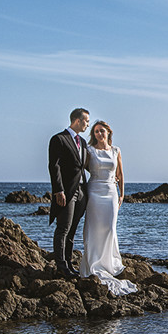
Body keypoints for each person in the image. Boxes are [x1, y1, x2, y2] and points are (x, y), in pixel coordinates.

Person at [79, 119, 138, 295]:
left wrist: (122, 194)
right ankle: (94, 263)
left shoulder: (116, 151)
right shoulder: (89, 151)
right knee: (94, 228)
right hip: (94, 191)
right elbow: (81, 169)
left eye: (102, 131)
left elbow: (120, 173)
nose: (99, 134)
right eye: (96, 131)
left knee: (110, 228)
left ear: (108, 132)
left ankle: (109, 263)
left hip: (111, 192)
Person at [48, 108, 90, 277]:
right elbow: (54, 166)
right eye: (86, 121)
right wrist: (58, 190)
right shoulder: (59, 139)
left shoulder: (84, 143)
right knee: (63, 228)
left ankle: (69, 263)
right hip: (66, 191)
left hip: (81, 191)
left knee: (72, 230)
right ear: (77, 121)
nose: (88, 124)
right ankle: (61, 266)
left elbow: (85, 165)